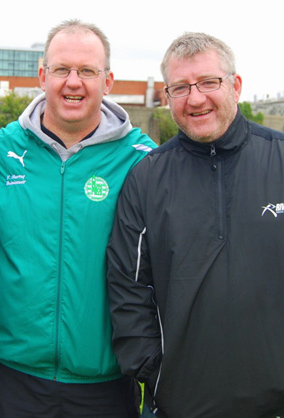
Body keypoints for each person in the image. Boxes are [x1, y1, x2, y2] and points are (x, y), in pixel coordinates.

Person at [0, 19, 157, 418]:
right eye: (62, 69)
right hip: (13, 375)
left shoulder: (144, 161)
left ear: (107, 81)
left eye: (87, 71)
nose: (73, 82)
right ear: (43, 75)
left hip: (106, 379)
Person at [107, 31, 284, 418]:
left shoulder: (280, 158)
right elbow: (127, 287)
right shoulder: (147, 178)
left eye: (208, 82)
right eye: (181, 87)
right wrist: (156, 375)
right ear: (167, 98)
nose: (196, 98)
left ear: (235, 86)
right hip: (182, 404)